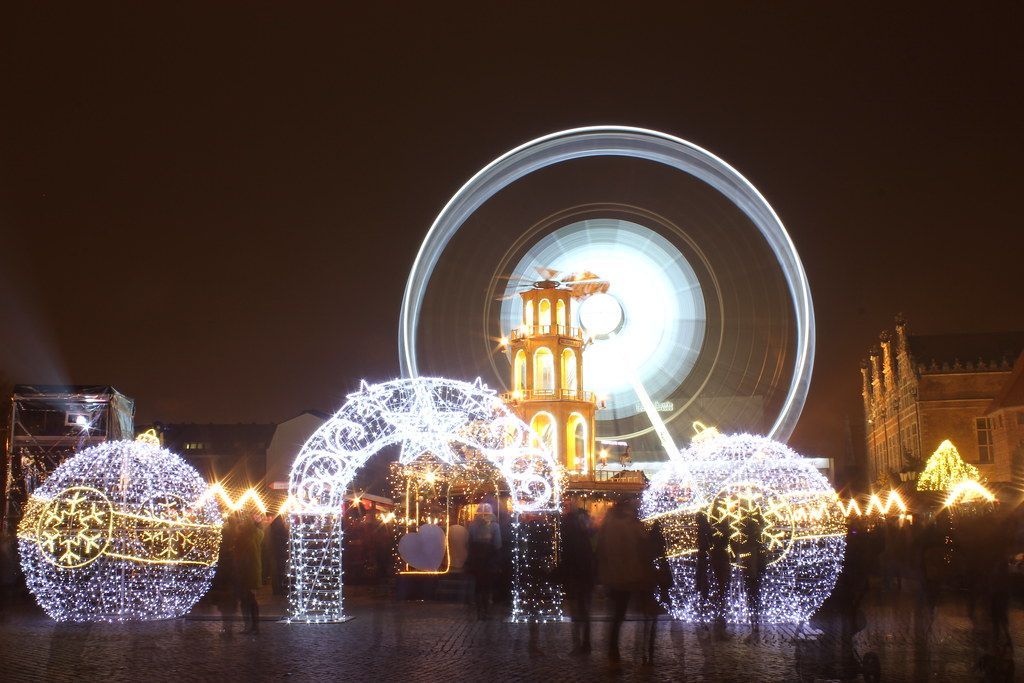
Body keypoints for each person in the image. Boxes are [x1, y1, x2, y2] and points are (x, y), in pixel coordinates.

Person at [595, 497, 655, 667]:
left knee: (617, 614)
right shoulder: (631, 522)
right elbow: (643, 546)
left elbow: (601, 550)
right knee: (640, 611)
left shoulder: (608, 523)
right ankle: (642, 651)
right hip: (632, 574)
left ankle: (613, 650)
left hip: (614, 575)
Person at [560, 507, 595, 655]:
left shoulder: (570, 537)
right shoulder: (586, 536)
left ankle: (579, 644)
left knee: (577, 611)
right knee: (583, 611)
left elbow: (568, 559)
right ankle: (585, 642)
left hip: (576, 577)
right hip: (585, 577)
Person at [467, 503, 501, 619]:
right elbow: (498, 544)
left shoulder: (472, 525)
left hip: (476, 559)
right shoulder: (495, 526)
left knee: (478, 584)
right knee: (488, 584)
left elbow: (469, 542)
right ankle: (487, 608)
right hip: (489, 559)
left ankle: (479, 607)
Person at [232, 513, 264, 634]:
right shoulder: (257, 535)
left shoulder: (244, 538)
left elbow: (241, 557)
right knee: (250, 599)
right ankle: (254, 626)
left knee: (246, 600)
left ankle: (249, 626)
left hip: (244, 572)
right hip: (252, 571)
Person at [738, 509, 767, 638]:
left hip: (751, 575)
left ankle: (754, 621)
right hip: (753, 575)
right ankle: (755, 622)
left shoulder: (750, 545)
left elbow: (740, 558)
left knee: (752, 598)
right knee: (754, 598)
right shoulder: (758, 545)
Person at [709, 511, 732, 639]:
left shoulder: (715, 552)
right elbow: (724, 567)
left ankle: (719, 618)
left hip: (718, 579)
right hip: (721, 579)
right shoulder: (722, 553)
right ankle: (720, 619)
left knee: (719, 598)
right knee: (721, 598)